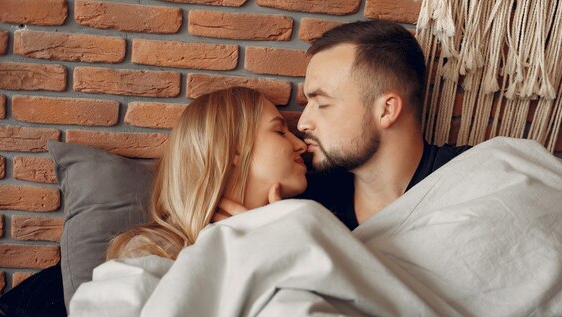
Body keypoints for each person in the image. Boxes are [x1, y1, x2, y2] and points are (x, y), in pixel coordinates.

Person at [298, 20, 470, 230]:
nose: (302, 123)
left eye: (322, 104)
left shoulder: (473, 179)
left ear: (387, 110)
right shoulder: (308, 202)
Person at [106, 87, 307, 260]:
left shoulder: (298, 233)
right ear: (232, 148)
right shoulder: (153, 250)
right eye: (280, 132)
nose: (301, 145)